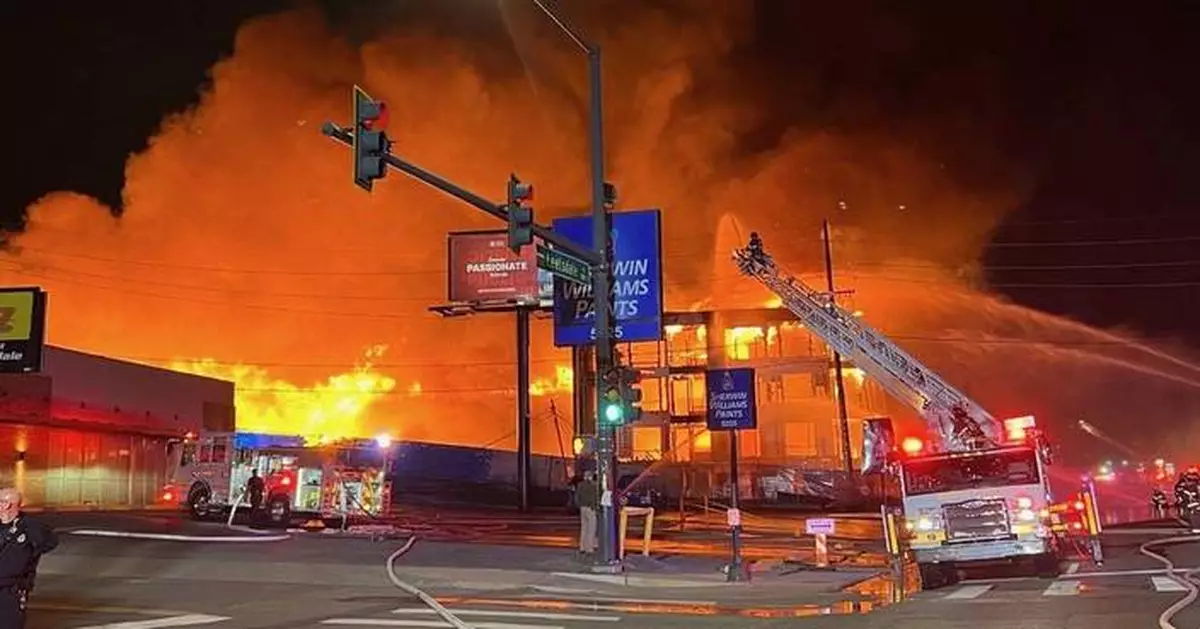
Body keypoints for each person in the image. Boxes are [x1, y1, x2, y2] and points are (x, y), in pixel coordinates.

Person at [0, 488, 59, 628]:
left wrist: (24, 525)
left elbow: (48, 543)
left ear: (7, 504)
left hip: (11, 592)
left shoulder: (30, 527)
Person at [575, 471, 598, 555]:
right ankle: (589, 548)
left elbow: (577, 497)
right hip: (591, 508)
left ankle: (582, 547)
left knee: (584, 528)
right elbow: (595, 497)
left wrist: (579, 505)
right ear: (591, 477)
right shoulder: (594, 485)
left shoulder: (580, 485)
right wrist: (595, 506)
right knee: (591, 529)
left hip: (582, 508)